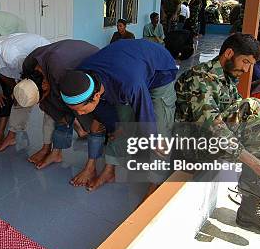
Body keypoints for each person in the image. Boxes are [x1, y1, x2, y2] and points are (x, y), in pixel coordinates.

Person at [175, 33, 260, 240]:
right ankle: (255, 183)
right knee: (255, 104)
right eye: (245, 62)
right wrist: (255, 162)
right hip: (193, 148)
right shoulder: (198, 78)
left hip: (216, 143)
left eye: (250, 64)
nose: (246, 69)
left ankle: (249, 211)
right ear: (229, 53)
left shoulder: (226, 78)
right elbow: (215, 129)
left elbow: (242, 121)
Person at [58, 39, 178, 191]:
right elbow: (106, 111)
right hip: (127, 67)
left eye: (81, 109)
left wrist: (152, 138)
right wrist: (114, 126)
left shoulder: (130, 83)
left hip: (160, 71)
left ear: (95, 97)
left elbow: (144, 108)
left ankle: (155, 183)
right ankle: (109, 171)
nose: (79, 114)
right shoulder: (83, 76)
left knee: (160, 132)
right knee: (120, 126)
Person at [12, 40, 100, 174]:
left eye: (39, 99)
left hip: (91, 61)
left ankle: (89, 159)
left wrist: (85, 124)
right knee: (55, 111)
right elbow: (51, 107)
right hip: (64, 61)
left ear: (45, 85)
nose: (39, 103)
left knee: (83, 115)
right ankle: (55, 153)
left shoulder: (61, 74)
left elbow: (70, 109)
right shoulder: (28, 66)